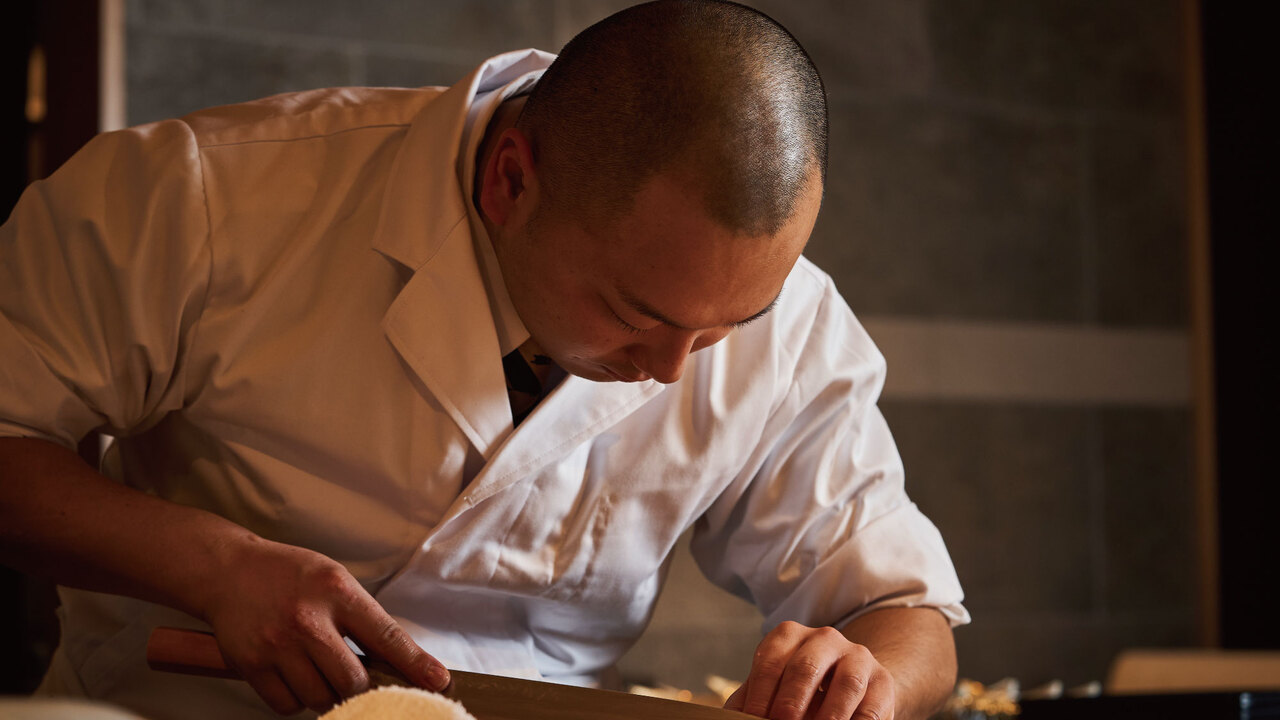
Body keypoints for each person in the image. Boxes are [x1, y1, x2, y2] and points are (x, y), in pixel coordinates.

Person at [0, 2, 968, 719]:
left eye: (726, 327)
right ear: (511, 181)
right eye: (632, 314)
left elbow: (903, 608)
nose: (674, 370)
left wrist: (866, 679)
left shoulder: (792, 327)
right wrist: (216, 566)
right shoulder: (203, 198)